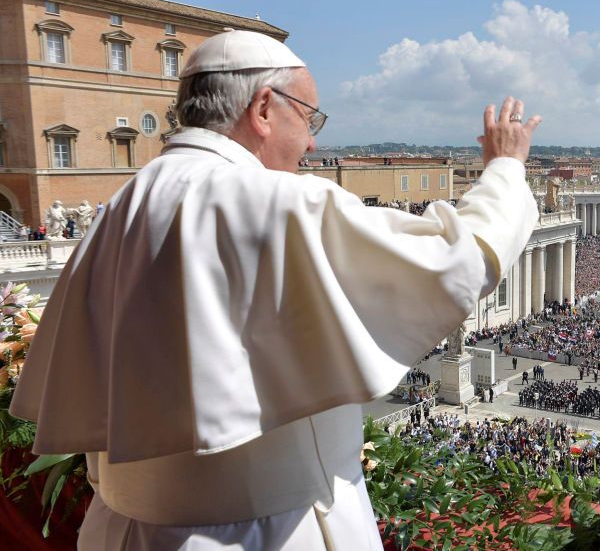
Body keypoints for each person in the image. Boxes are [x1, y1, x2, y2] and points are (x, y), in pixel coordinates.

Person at [11, 30, 542, 550]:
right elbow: (457, 259)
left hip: (123, 532)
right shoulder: (274, 201)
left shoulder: (121, 207)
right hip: (267, 531)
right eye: (309, 119)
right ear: (264, 108)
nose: (312, 142)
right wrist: (505, 168)